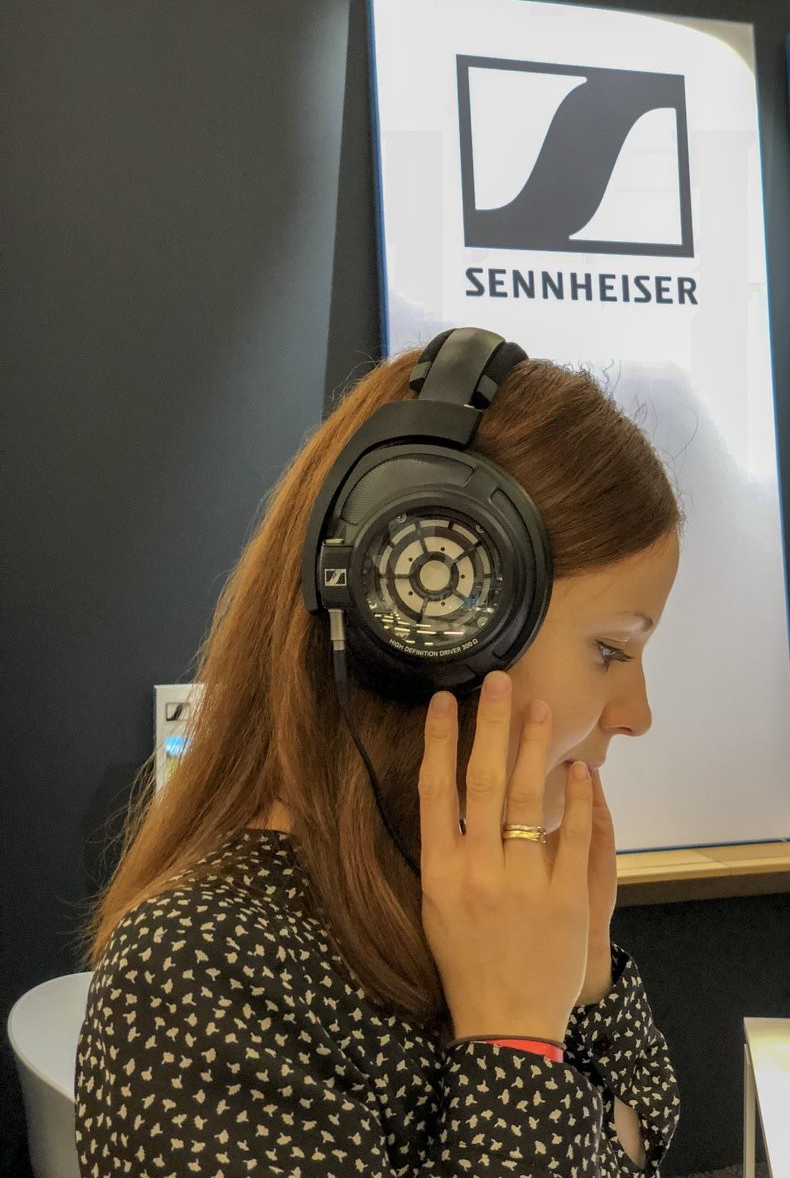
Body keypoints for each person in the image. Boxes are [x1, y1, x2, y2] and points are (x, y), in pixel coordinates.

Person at [75, 329, 683, 1176]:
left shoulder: (477, 896)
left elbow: (645, 1128)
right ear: (433, 631)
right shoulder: (199, 970)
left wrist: (578, 983)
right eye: (611, 650)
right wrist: (516, 1039)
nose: (637, 715)